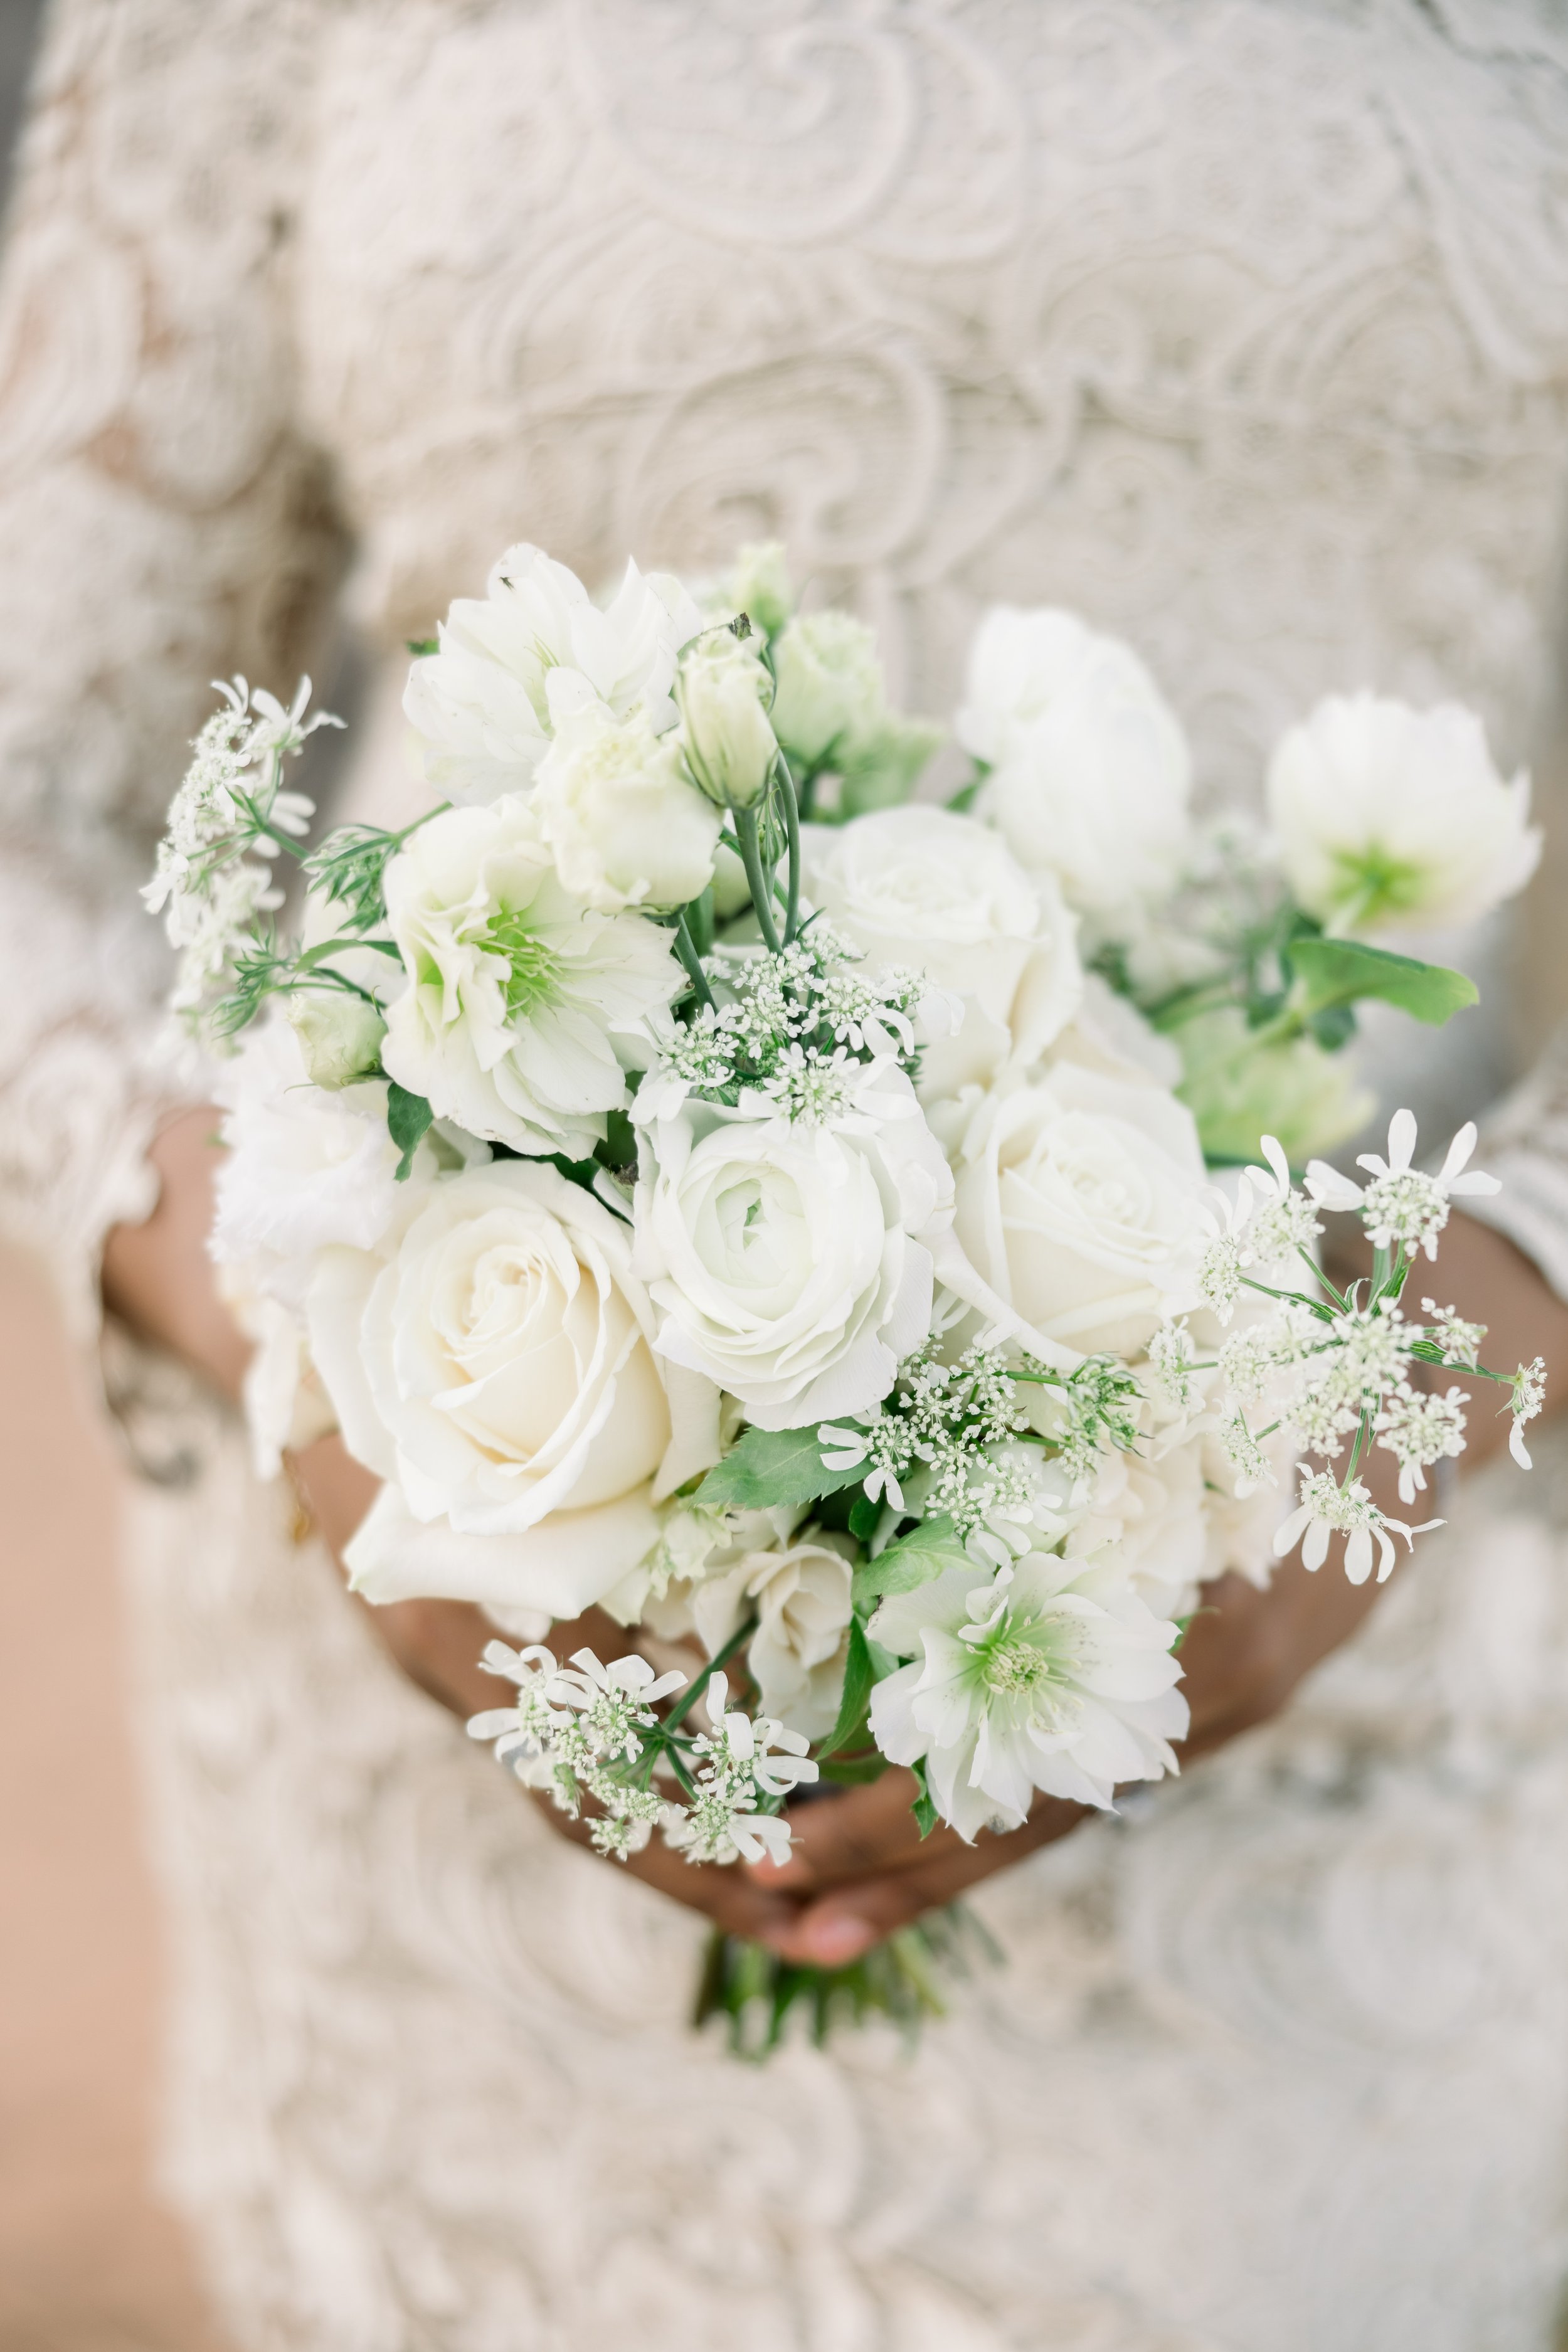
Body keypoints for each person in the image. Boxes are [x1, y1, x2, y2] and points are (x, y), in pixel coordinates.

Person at [5, 3, 1568, 2342]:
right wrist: (314, 1372)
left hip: (1317, 1633)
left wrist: (1467, 1329)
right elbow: (37, 797)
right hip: (465, 1657)